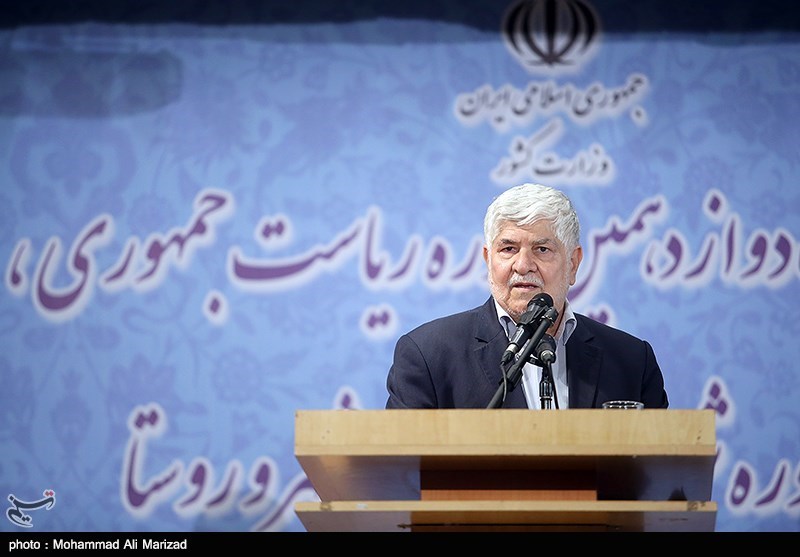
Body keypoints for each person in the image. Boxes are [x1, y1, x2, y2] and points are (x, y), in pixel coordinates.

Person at [385, 183, 669, 410]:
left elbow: (659, 463)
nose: (522, 265)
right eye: (508, 249)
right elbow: (404, 463)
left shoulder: (632, 361)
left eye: (542, 249)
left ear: (573, 264)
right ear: (488, 260)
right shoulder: (428, 356)